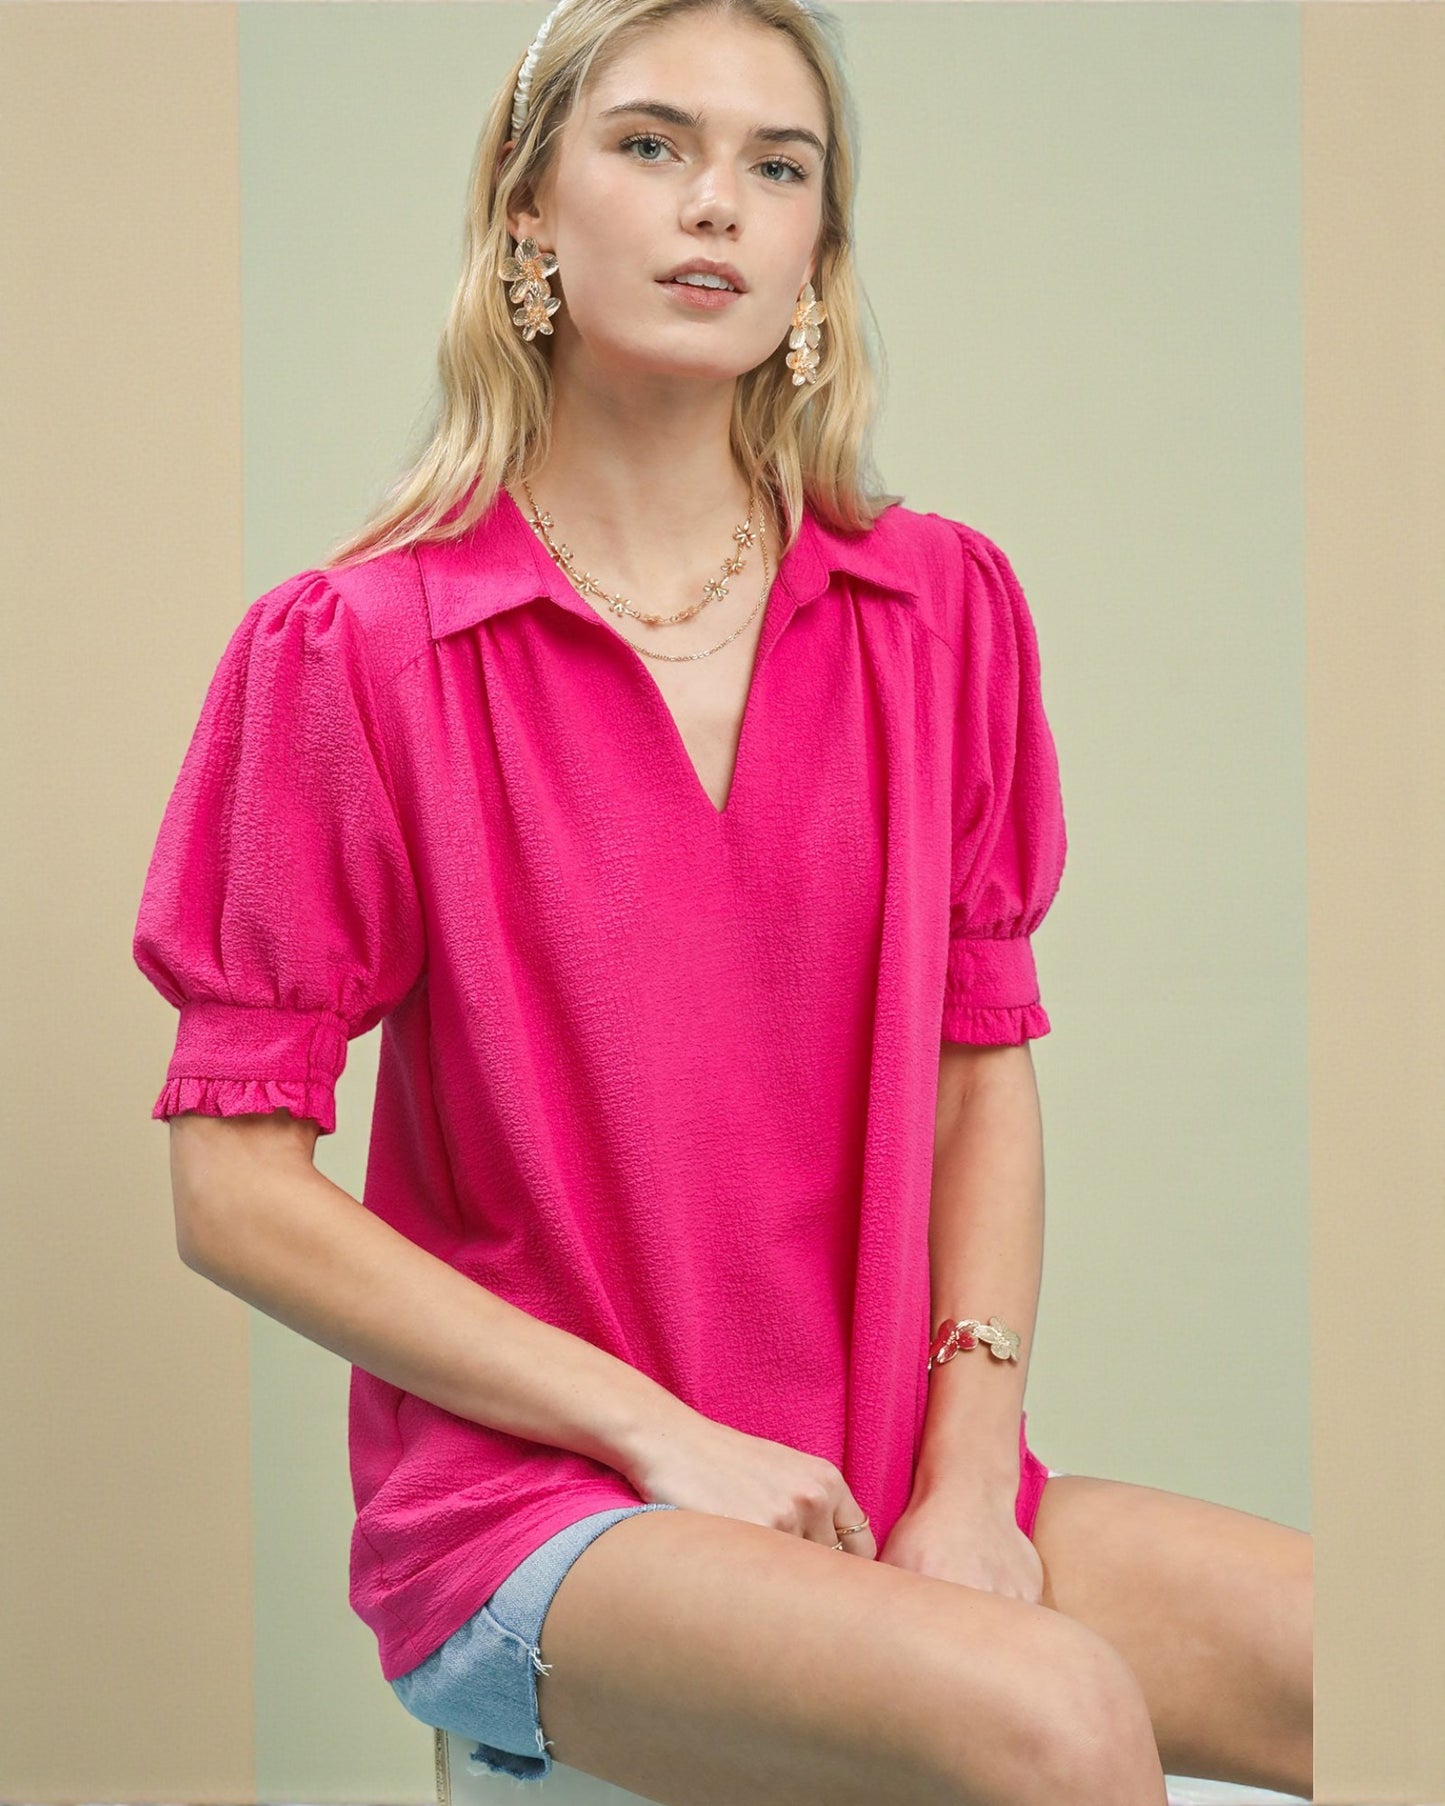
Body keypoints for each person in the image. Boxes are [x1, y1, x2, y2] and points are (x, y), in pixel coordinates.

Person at [131, 1, 1312, 1802]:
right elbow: (232, 1192)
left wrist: (963, 1474)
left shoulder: (940, 609)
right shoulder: (357, 653)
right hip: (546, 1509)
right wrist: (655, 1432)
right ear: (526, 212)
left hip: (885, 1466)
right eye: (651, 146)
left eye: (778, 169)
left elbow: (979, 1063)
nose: (718, 208)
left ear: (817, 254)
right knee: (1052, 1714)